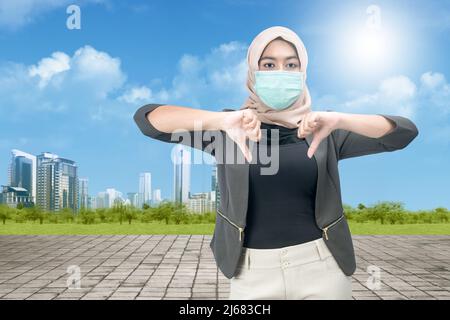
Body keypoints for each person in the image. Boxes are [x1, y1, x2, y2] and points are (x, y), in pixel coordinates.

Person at [133, 26, 419, 300]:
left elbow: (403, 133)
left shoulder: (324, 129)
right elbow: (149, 121)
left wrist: (341, 119)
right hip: (251, 272)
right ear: (253, 71)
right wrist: (221, 120)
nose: (280, 73)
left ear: (303, 70)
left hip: (323, 267)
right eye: (269, 65)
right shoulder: (230, 130)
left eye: (291, 65)